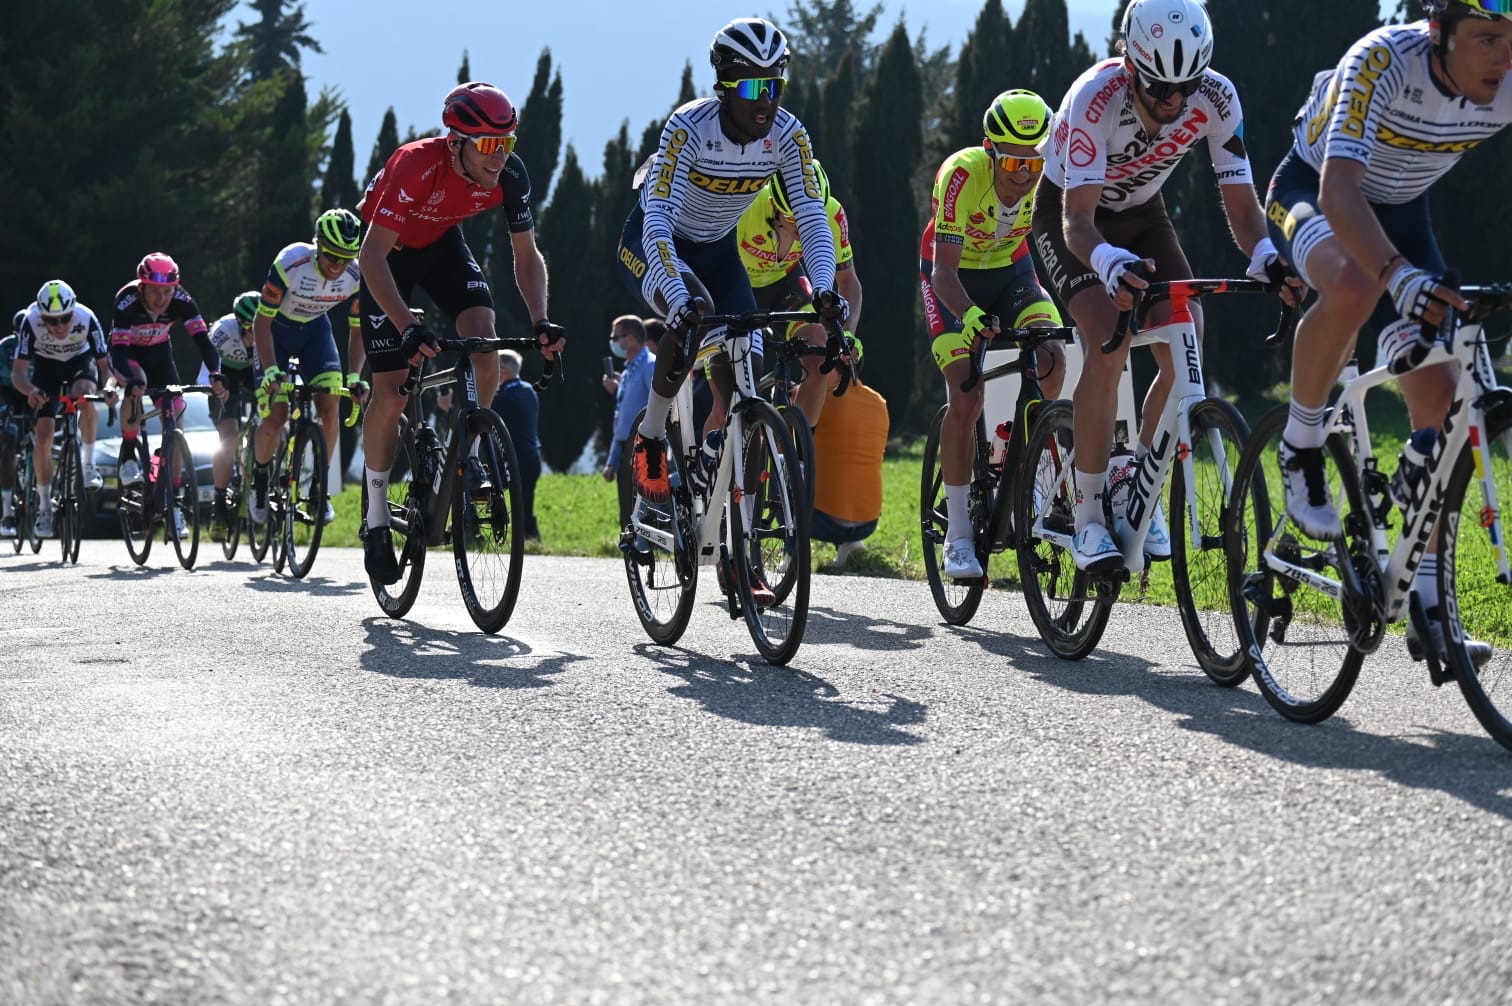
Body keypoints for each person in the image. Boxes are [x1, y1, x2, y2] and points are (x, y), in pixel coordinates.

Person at [1264, 0, 1512, 665]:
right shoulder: (1381, 61)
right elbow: (1340, 189)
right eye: (1487, 37)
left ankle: (1428, 606)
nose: (1503, 55)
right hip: (1310, 190)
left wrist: (1404, 272)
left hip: (1403, 211)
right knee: (1354, 282)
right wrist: (1398, 276)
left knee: (1446, 399)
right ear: (1440, 34)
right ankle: (1301, 443)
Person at [1031, 0, 1300, 571]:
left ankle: (1135, 479)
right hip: (1071, 216)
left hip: (1144, 214)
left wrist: (1267, 256)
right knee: (1108, 340)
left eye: (1187, 87)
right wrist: (1104, 262)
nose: (1174, 103)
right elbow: (1077, 223)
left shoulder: (1218, 98)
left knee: (1186, 337)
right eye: (1159, 89)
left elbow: (1244, 207)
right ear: (1130, 65)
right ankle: (1087, 517)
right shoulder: (1093, 97)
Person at [613, 17, 850, 531]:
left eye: (774, 84)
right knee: (689, 326)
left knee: (749, 362)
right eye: (750, 85)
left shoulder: (788, 134)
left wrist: (826, 289)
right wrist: (676, 295)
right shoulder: (690, 126)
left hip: (719, 253)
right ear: (723, 86)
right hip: (657, 244)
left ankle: (730, 511)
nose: (765, 99)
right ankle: (653, 438)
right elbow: (657, 217)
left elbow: (811, 215)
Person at [356, 81, 564, 584]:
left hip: (443, 245)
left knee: (484, 340)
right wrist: (407, 324)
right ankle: (377, 515)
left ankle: (469, 453)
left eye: (508, 142)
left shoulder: (508, 173)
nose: (500, 156)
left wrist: (540, 321)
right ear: (456, 142)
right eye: (489, 145)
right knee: (390, 394)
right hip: (391, 259)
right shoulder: (415, 164)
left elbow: (525, 256)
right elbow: (370, 257)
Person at [923, 88, 1069, 579]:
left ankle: (1016, 458)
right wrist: (968, 317)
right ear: (991, 151)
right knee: (967, 395)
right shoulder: (962, 175)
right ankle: (960, 534)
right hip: (954, 280)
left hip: (1011, 272)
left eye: (1033, 161)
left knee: (1052, 355)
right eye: (1012, 163)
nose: (1024, 174)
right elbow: (943, 275)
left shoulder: (1048, 172)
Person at [248, 208, 367, 529]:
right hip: (275, 333)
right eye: (331, 256)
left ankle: (319, 489)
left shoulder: (356, 276)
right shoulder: (290, 263)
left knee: (330, 406)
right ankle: (259, 480)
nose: (337, 266)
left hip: (316, 333)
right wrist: (272, 370)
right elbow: (261, 322)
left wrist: (355, 376)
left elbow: (357, 330)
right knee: (277, 416)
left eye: (345, 258)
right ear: (318, 245)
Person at [736, 158, 864, 427]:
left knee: (818, 352)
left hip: (785, 281)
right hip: (738, 283)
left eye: (811, 217)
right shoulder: (749, 206)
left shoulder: (832, 212)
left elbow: (848, 282)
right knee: (732, 385)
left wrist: (848, 334)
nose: (804, 226)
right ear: (773, 205)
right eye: (793, 218)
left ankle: (797, 459)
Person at [110, 252, 219, 540]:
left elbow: (203, 343)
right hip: (129, 356)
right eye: (155, 291)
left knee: (178, 409)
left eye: (167, 292)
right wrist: (131, 381)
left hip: (160, 355)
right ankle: (129, 454)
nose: (161, 299)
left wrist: (216, 373)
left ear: (175, 288)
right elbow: (118, 351)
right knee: (138, 384)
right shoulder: (127, 300)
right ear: (142, 286)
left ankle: (175, 503)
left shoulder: (183, 300)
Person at [12, 280, 116, 538]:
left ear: (73, 311)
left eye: (65, 318)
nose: (59, 326)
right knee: (45, 436)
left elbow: (106, 369)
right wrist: (31, 391)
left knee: (84, 394)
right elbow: (19, 374)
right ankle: (45, 506)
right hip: (47, 368)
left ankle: (88, 464)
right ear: (41, 315)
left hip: (80, 362)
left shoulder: (86, 317)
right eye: (52, 320)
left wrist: (110, 388)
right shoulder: (30, 321)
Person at [810, 354, 888, 568]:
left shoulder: (822, 396)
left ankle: (790, 554)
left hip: (822, 522)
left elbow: (785, 443)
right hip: (868, 521)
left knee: (781, 463)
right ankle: (851, 543)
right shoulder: (879, 402)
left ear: (834, 369)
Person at [202, 291, 262, 540]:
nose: (254, 336)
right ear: (239, 324)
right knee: (228, 437)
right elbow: (205, 369)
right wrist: (217, 388)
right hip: (225, 374)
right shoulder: (222, 331)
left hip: (256, 372)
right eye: (249, 329)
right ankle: (218, 505)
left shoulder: (272, 329)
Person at [602, 315, 656, 524]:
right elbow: (622, 419)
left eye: (616, 337)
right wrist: (612, 460)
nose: (613, 342)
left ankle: (645, 550)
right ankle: (631, 551)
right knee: (628, 507)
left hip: (643, 445)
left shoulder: (650, 365)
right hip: (627, 447)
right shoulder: (627, 371)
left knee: (643, 507)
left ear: (630, 339)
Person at [490, 349, 541, 539]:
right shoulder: (528, 390)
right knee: (525, 503)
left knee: (481, 491)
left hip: (512, 460)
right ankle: (531, 537)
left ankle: (475, 531)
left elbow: (481, 415)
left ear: (502, 371)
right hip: (532, 457)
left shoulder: (504, 398)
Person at [0, 315, 29, 537]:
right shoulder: (6, 346)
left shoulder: (39, 344)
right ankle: (7, 509)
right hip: (8, 393)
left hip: (30, 393)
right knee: (8, 439)